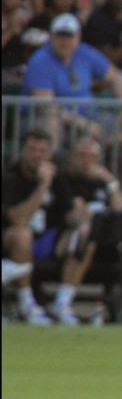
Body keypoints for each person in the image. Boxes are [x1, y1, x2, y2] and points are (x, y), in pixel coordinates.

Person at [53, 136, 122, 326]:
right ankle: (63, 302)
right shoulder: (63, 180)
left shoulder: (102, 183)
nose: (86, 161)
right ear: (71, 157)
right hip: (76, 239)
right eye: (81, 155)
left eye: (92, 156)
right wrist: (87, 216)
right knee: (97, 222)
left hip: (109, 241)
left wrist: (111, 181)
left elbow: (121, 207)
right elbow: (71, 217)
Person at [20, 12, 122, 172]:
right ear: (52, 36)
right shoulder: (40, 60)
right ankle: (52, 178)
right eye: (60, 36)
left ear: (78, 36)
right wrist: (85, 125)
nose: (64, 41)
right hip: (42, 119)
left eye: (69, 36)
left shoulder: (85, 53)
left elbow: (116, 79)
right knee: (52, 121)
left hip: (89, 116)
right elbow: (46, 105)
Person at [2, 127, 58, 324]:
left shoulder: (59, 176)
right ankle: (27, 303)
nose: (37, 155)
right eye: (32, 149)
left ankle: (63, 305)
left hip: (47, 240)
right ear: (23, 151)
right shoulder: (10, 176)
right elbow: (18, 219)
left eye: (42, 151)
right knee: (22, 234)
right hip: (9, 239)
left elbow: (70, 214)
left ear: (49, 154)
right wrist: (43, 186)